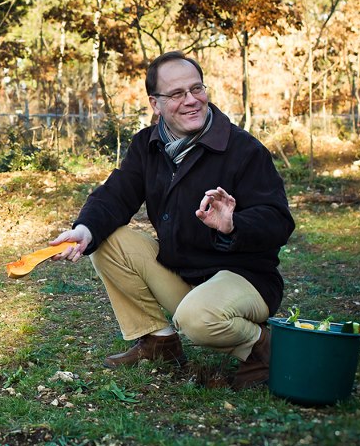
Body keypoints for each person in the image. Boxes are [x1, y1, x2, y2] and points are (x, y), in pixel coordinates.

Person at [50, 50, 294, 389]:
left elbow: (279, 221)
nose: (192, 100)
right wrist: (84, 230)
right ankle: (160, 342)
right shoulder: (148, 145)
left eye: (197, 89)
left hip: (245, 279)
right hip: (184, 275)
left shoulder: (243, 149)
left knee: (197, 319)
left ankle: (263, 348)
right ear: (156, 103)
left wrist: (233, 224)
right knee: (106, 241)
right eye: (177, 94)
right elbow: (118, 193)